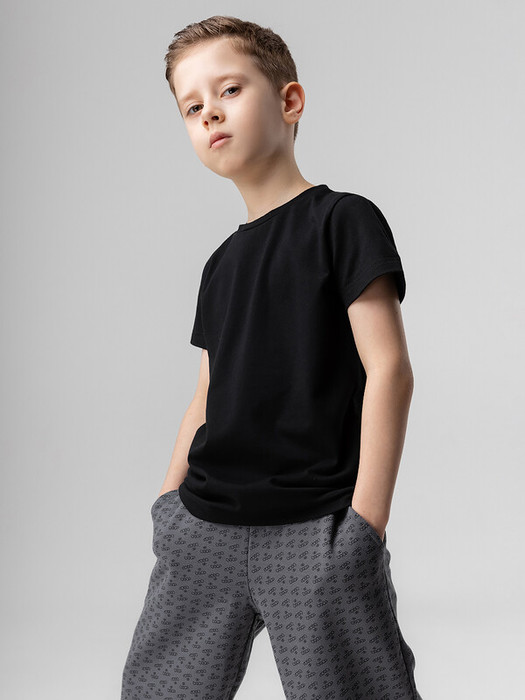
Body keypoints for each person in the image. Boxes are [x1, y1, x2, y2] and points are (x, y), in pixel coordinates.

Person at [121, 14, 423, 700]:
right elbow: (206, 394)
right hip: (203, 528)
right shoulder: (220, 264)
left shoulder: (343, 220)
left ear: (289, 101)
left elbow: (389, 370)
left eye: (228, 90)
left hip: (313, 531)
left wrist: (364, 528)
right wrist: (168, 504)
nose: (209, 112)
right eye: (191, 107)